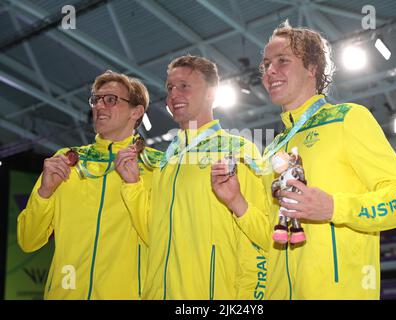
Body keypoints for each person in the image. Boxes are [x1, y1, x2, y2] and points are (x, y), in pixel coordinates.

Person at [211, 21, 396, 299]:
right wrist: (236, 202)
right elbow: (272, 236)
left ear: (312, 68)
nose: (270, 71)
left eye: (282, 61)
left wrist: (334, 208)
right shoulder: (274, 149)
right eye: (266, 65)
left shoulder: (348, 118)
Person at [116, 55, 269, 299]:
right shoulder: (168, 162)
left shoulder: (237, 151)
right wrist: (133, 185)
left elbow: (260, 237)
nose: (173, 95)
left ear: (211, 93)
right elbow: (152, 234)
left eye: (184, 86)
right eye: (169, 88)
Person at [17, 70, 162, 299]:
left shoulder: (157, 167)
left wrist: (134, 184)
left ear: (136, 111)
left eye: (111, 100)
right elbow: (28, 240)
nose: (99, 106)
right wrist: (45, 192)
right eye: (96, 100)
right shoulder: (65, 161)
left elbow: (162, 241)